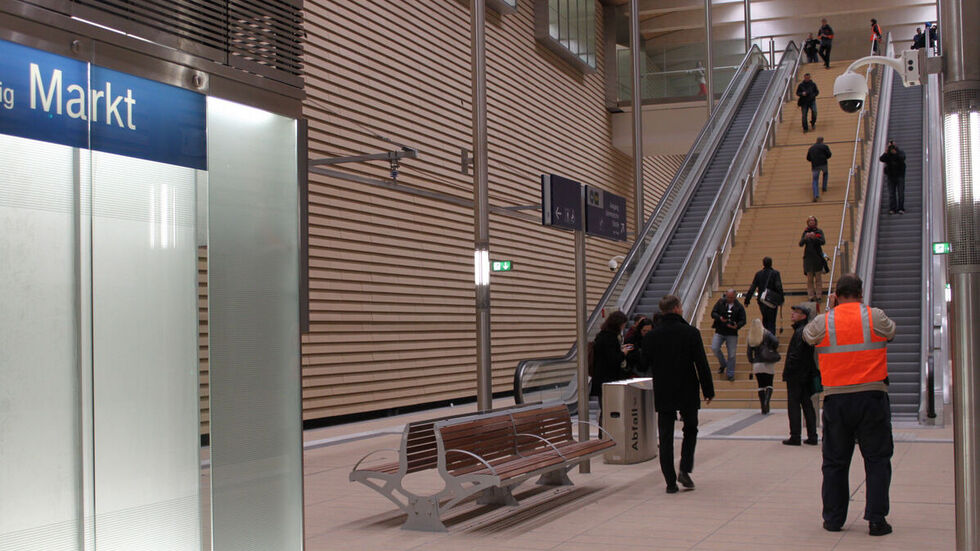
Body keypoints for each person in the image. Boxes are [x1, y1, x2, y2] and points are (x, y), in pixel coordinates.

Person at [803, 274, 897, 537]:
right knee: (877, 460)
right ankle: (877, 520)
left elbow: (807, 337)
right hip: (872, 397)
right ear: (860, 292)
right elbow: (891, 332)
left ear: (836, 294)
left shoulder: (825, 321)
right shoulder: (874, 316)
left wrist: (831, 310)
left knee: (835, 461)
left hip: (836, 399)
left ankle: (833, 518)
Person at [642, 294, 714, 494]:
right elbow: (701, 363)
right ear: (676, 308)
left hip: (664, 389)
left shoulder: (652, 336)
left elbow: (642, 364)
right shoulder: (690, 333)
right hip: (687, 388)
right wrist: (708, 389)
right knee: (690, 429)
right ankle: (684, 468)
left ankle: (670, 482)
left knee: (665, 436)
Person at [781, 304, 819, 445]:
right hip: (805, 374)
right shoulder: (806, 331)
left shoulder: (800, 332)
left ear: (803, 316)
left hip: (796, 375)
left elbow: (796, 355)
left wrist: (790, 370)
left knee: (794, 405)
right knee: (807, 404)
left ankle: (795, 435)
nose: (793, 314)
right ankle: (812, 435)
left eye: (796, 312)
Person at [590, 310, 632, 409]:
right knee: (611, 408)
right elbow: (613, 359)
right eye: (623, 325)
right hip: (609, 379)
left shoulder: (601, 335)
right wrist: (623, 353)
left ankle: (603, 424)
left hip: (600, 377)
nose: (623, 328)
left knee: (604, 407)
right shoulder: (611, 338)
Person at [710, 289, 746, 381]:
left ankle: (730, 374)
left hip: (732, 333)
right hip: (720, 330)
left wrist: (737, 326)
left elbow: (743, 320)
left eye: (731, 297)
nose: (729, 299)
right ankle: (723, 364)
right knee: (714, 347)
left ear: (734, 297)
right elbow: (713, 313)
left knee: (732, 355)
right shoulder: (720, 302)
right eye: (727, 297)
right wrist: (719, 318)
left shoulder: (739, 307)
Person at [746, 318, 779, 414]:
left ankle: (762, 405)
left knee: (760, 385)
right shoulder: (766, 333)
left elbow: (749, 352)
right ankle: (767, 402)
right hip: (767, 361)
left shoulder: (751, 336)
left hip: (757, 363)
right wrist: (771, 348)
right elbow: (776, 341)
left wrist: (752, 360)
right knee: (769, 383)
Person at [744, 256, 784, 335]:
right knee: (772, 321)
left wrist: (747, 300)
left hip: (762, 300)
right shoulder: (775, 273)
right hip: (772, 299)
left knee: (765, 319)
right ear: (771, 263)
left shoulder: (758, 274)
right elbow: (778, 286)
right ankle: (771, 339)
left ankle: (764, 337)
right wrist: (781, 298)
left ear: (763, 264)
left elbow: (753, 287)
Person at [799, 216, 827, 303]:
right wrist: (805, 238)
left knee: (818, 278)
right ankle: (811, 296)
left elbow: (823, 242)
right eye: (810, 221)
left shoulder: (819, 231)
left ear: (815, 222)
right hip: (808, 259)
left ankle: (819, 295)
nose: (811, 222)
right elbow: (800, 244)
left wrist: (815, 238)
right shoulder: (805, 232)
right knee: (809, 279)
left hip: (817, 258)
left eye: (813, 221)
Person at [879, 140, 907, 214]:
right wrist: (886, 151)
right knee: (891, 193)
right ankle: (892, 208)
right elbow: (881, 159)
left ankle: (901, 208)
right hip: (890, 176)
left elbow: (903, 158)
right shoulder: (888, 154)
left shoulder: (900, 152)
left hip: (900, 175)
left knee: (901, 193)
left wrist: (896, 153)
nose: (892, 148)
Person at [807, 136, 832, 201]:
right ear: (822, 141)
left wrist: (813, 160)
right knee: (825, 174)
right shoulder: (825, 147)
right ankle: (824, 187)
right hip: (823, 164)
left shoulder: (811, 148)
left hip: (815, 165)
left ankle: (816, 195)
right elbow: (829, 155)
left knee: (815, 180)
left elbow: (808, 158)